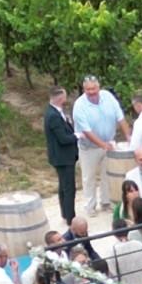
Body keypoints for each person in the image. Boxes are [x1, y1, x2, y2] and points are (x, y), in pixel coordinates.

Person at [72, 75, 130, 215]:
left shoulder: (108, 97)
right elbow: (87, 131)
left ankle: (106, 202)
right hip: (88, 148)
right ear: (84, 89)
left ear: (99, 87)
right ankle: (90, 206)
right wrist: (102, 144)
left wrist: (129, 137)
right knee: (89, 178)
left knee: (107, 175)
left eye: (94, 88)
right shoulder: (79, 105)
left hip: (108, 143)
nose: (91, 92)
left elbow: (120, 117)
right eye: (88, 89)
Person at [44, 87, 79, 224]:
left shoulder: (54, 112)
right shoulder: (53, 116)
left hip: (61, 157)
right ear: (60, 98)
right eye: (64, 96)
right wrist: (77, 136)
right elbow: (63, 139)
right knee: (69, 188)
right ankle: (71, 218)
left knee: (63, 186)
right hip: (63, 157)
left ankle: (65, 213)